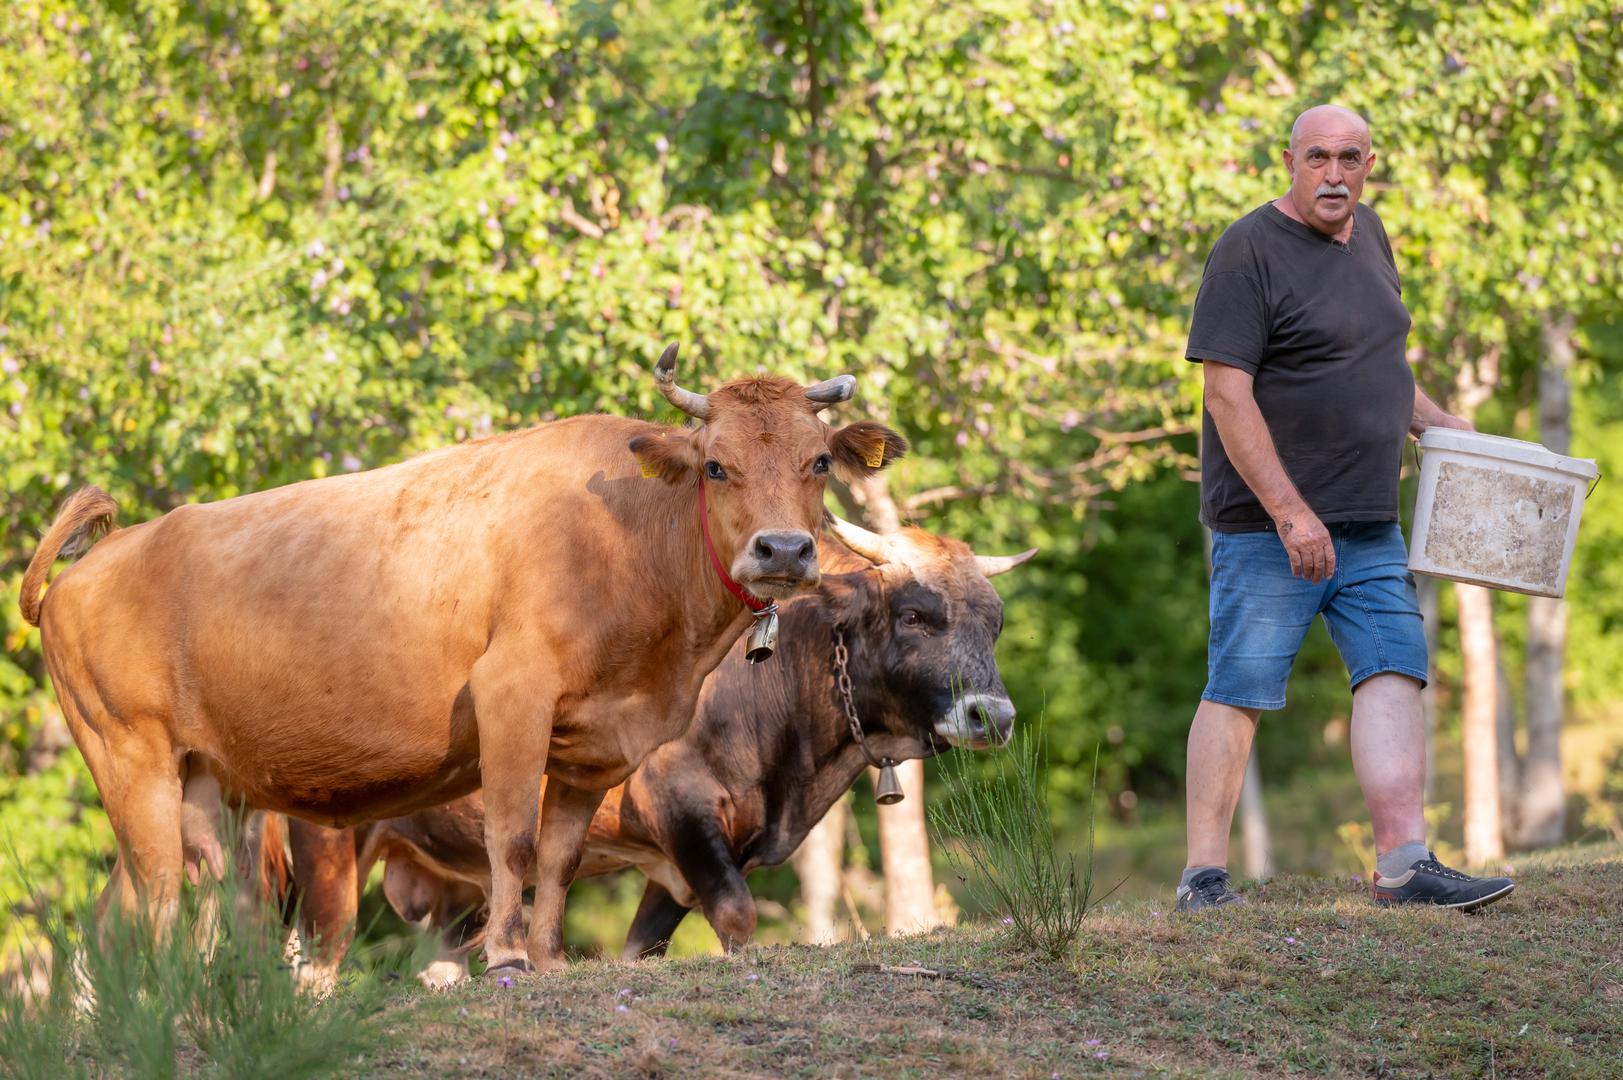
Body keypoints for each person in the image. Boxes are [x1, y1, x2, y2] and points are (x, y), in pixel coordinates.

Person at [1177, 105, 1514, 913]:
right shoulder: (1247, 250)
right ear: (1288, 160)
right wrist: (1292, 515)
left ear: (1369, 164)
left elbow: (1379, 359)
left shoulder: (1371, 237)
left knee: (1394, 667)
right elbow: (1225, 395)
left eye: (1349, 158)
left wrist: (1434, 424)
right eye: (1317, 157)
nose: (1333, 173)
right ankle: (1201, 877)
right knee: (1241, 687)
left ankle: (1403, 863)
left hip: (1369, 518)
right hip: (1269, 525)